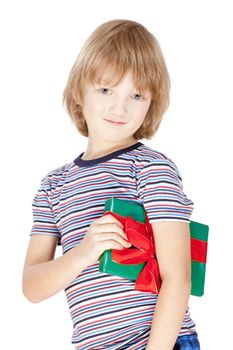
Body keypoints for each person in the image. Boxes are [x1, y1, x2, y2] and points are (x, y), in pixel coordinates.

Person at [22, 19, 201, 350]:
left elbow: (179, 277)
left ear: (151, 103)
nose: (119, 107)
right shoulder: (53, 186)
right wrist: (86, 251)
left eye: (136, 95)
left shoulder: (150, 168)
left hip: (160, 343)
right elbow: (32, 286)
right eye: (105, 90)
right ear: (78, 90)